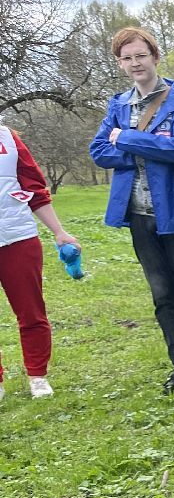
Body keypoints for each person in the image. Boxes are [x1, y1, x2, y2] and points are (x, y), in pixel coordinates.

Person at [88, 27, 174, 394]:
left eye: (141, 55)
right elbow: (99, 151)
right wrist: (150, 146)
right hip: (140, 214)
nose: (135, 63)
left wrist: (126, 138)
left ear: (155, 57)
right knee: (163, 296)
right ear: (120, 63)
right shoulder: (118, 105)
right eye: (127, 58)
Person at [0, 122, 82, 403]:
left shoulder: (8, 138)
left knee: (31, 312)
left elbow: (34, 188)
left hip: (18, 238)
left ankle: (38, 376)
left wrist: (59, 232)